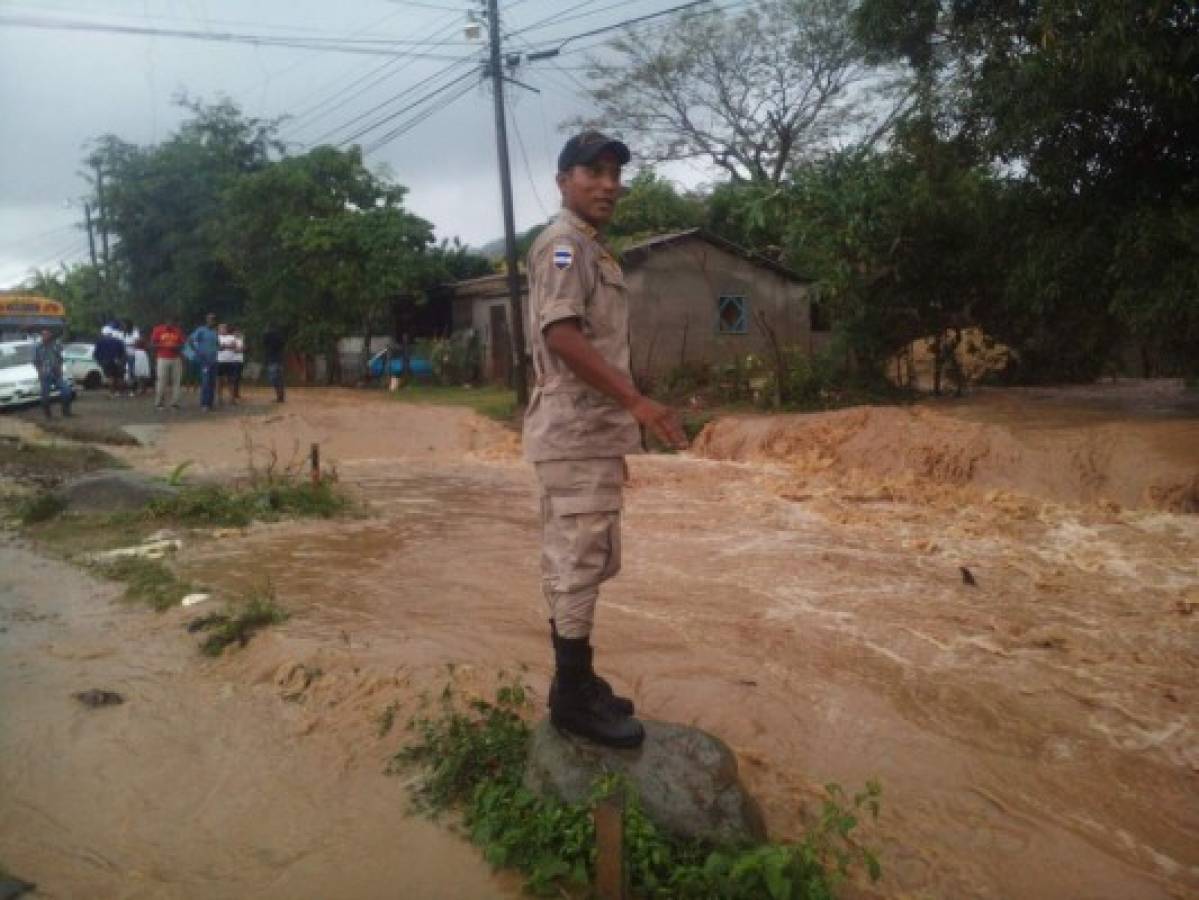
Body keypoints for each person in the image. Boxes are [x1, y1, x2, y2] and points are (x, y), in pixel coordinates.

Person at [524, 131, 688, 748]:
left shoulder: (592, 250)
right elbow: (563, 337)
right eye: (594, 172)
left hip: (592, 433)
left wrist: (629, 410)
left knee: (590, 556)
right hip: (574, 430)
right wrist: (637, 402)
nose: (610, 184)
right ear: (565, 178)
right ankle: (570, 699)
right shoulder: (564, 246)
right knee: (576, 559)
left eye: (616, 173)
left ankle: (579, 678)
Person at [33, 329, 73, 418]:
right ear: (41, 336)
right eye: (44, 335)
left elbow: (60, 358)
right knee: (45, 396)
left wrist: (60, 368)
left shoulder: (56, 345)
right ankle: (48, 415)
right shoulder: (38, 347)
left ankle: (66, 412)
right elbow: (35, 361)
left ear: (50, 335)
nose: (46, 336)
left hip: (56, 372)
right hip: (45, 374)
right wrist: (40, 372)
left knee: (67, 391)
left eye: (48, 334)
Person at [150, 315, 186, 409]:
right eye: (169, 321)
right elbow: (153, 344)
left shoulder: (178, 331)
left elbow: (183, 344)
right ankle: (159, 403)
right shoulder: (158, 330)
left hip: (176, 358)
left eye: (172, 321)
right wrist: (165, 345)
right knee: (162, 381)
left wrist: (177, 347)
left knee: (176, 381)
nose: (170, 323)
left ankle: (175, 403)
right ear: (165, 321)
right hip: (162, 357)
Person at [186, 313, 220, 411]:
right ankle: (204, 404)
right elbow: (190, 340)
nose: (212, 321)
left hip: (214, 360)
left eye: (213, 319)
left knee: (212, 382)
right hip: (204, 361)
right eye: (210, 319)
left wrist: (219, 348)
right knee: (205, 382)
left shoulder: (214, 332)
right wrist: (197, 351)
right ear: (206, 320)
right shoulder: (201, 330)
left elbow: (217, 344)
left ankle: (210, 403)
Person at [92, 330, 127, 396]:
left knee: (110, 377)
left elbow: (95, 354)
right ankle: (120, 393)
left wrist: (100, 362)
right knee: (120, 377)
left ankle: (112, 393)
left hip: (107, 361)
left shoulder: (100, 342)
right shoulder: (118, 341)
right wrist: (122, 362)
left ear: (105, 334)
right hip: (117, 360)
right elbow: (123, 352)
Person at [262, 325, 286, 403]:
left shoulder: (268, 337)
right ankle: (280, 396)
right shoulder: (280, 337)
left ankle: (280, 396)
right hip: (279, 359)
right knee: (279, 379)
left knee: (274, 379)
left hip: (272, 360)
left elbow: (264, 343)